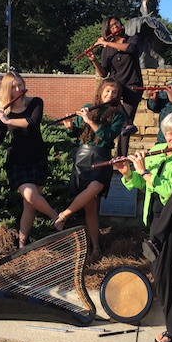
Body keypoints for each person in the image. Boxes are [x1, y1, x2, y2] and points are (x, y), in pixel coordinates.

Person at [114, 112, 172, 342]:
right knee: (161, 271)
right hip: (160, 220)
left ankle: (156, 240)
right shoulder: (157, 151)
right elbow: (138, 183)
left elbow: (171, 191)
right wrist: (129, 173)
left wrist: (145, 172)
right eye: (170, 132)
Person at [0, 72, 59, 248]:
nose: (18, 89)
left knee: (30, 205)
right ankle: (56, 216)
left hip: (37, 157)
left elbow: (33, 122)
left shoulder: (35, 103)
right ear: (7, 90)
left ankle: (22, 244)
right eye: (14, 87)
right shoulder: (5, 111)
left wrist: (8, 120)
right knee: (30, 195)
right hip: (17, 161)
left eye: (20, 85)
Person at [55, 78, 125, 258]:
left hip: (101, 157)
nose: (110, 95)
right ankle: (95, 248)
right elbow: (78, 134)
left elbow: (107, 136)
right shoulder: (88, 107)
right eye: (108, 90)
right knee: (90, 208)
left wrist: (89, 121)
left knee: (96, 187)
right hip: (83, 157)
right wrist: (70, 127)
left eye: (115, 92)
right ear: (101, 90)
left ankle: (63, 215)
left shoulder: (118, 114)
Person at [87, 16, 143, 157]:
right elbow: (104, 72)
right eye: (111, 26)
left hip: (132, 85)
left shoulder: (132, 38)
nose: (115, 26)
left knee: (126, 124)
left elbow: (130, 48)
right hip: (116, 87)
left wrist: (107, 43)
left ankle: (121, 158)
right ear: (107, 29)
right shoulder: (107, 49)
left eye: (116, 23)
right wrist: (94, 60)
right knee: (117, 120)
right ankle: (103, 151)